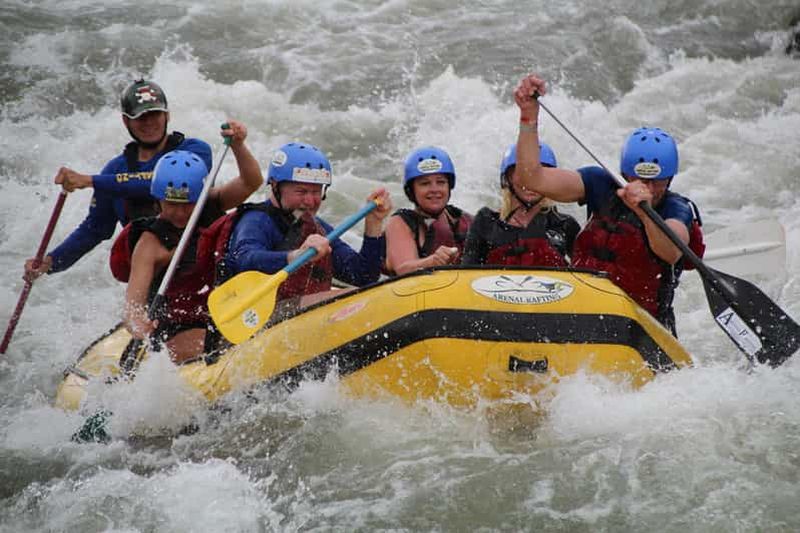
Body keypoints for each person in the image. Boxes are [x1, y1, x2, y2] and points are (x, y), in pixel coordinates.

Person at [512, 74, 704, 334]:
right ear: (625, 174)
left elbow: (671, 251)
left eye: (656, 181)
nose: (647, 187)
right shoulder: (600, 184)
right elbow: (531, 178)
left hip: (642, 330)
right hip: (584, 316)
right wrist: (528, 115)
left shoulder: (676, 209)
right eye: (638, 178)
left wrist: (645, 213)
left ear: (669, 179)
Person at [24, 79, 212, 281]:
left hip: (201, 258)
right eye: (140, 117)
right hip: (152, 271)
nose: (149, 122)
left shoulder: (193, 151)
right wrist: (50, 262)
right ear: (126, 121)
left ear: (167, 115)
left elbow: (161, 182)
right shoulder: (114, 171)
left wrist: (91, 181)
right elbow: (95, 230)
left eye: (154, 114)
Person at [123, 121, 263, 363]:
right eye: (171, 204)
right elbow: (132, 305)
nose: (179, 213)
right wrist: (138, 325)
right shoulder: (150, 243)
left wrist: (238, 146)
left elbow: (252, 182)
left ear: (200, 196)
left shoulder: (211, 203)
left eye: (187, 204)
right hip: (173, 327)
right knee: (215, 344)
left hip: (221, 310)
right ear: (157, 201)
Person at [222, 142, 392, 311]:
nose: (310, 201)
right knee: (354, 299)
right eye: (301, 192)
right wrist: (294, 256)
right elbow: (243, 259)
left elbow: (363, 277)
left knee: (364, 295)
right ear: (275, 186)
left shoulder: (316, 228)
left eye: (316, 192)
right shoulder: (256, 220)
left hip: (299, 319)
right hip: (256, 317)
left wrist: (374, 223)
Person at [461, 141, 580, 266]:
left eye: (540, 173)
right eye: (523, 172)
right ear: (507, 178)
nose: (531, 180)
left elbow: (590, 276)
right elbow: (466, 273)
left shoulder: (564, 225)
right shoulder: (486, 222)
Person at [384, 146, 473, 275]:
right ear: (411, 190)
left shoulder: (461, 219)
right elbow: (403, 269)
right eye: (425, 184)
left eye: (441, 182)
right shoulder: (400, 222)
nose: (434, 189)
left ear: (449, 186)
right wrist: (433, 261)